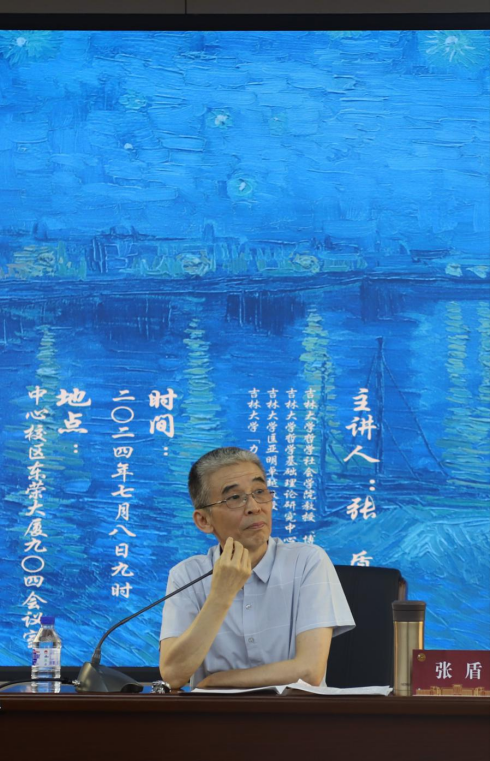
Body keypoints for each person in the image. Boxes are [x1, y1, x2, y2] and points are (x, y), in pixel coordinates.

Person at [159, 447, 355, 690]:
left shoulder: (307, 561)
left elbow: (309, 670)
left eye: (260, 492)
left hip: (295, 713)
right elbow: (173, 675)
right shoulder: (186, 576)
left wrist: (216, 682)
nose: (254, 507)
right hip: (214, 715)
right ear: (204, 520)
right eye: (234, 498)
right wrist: (221, 595)